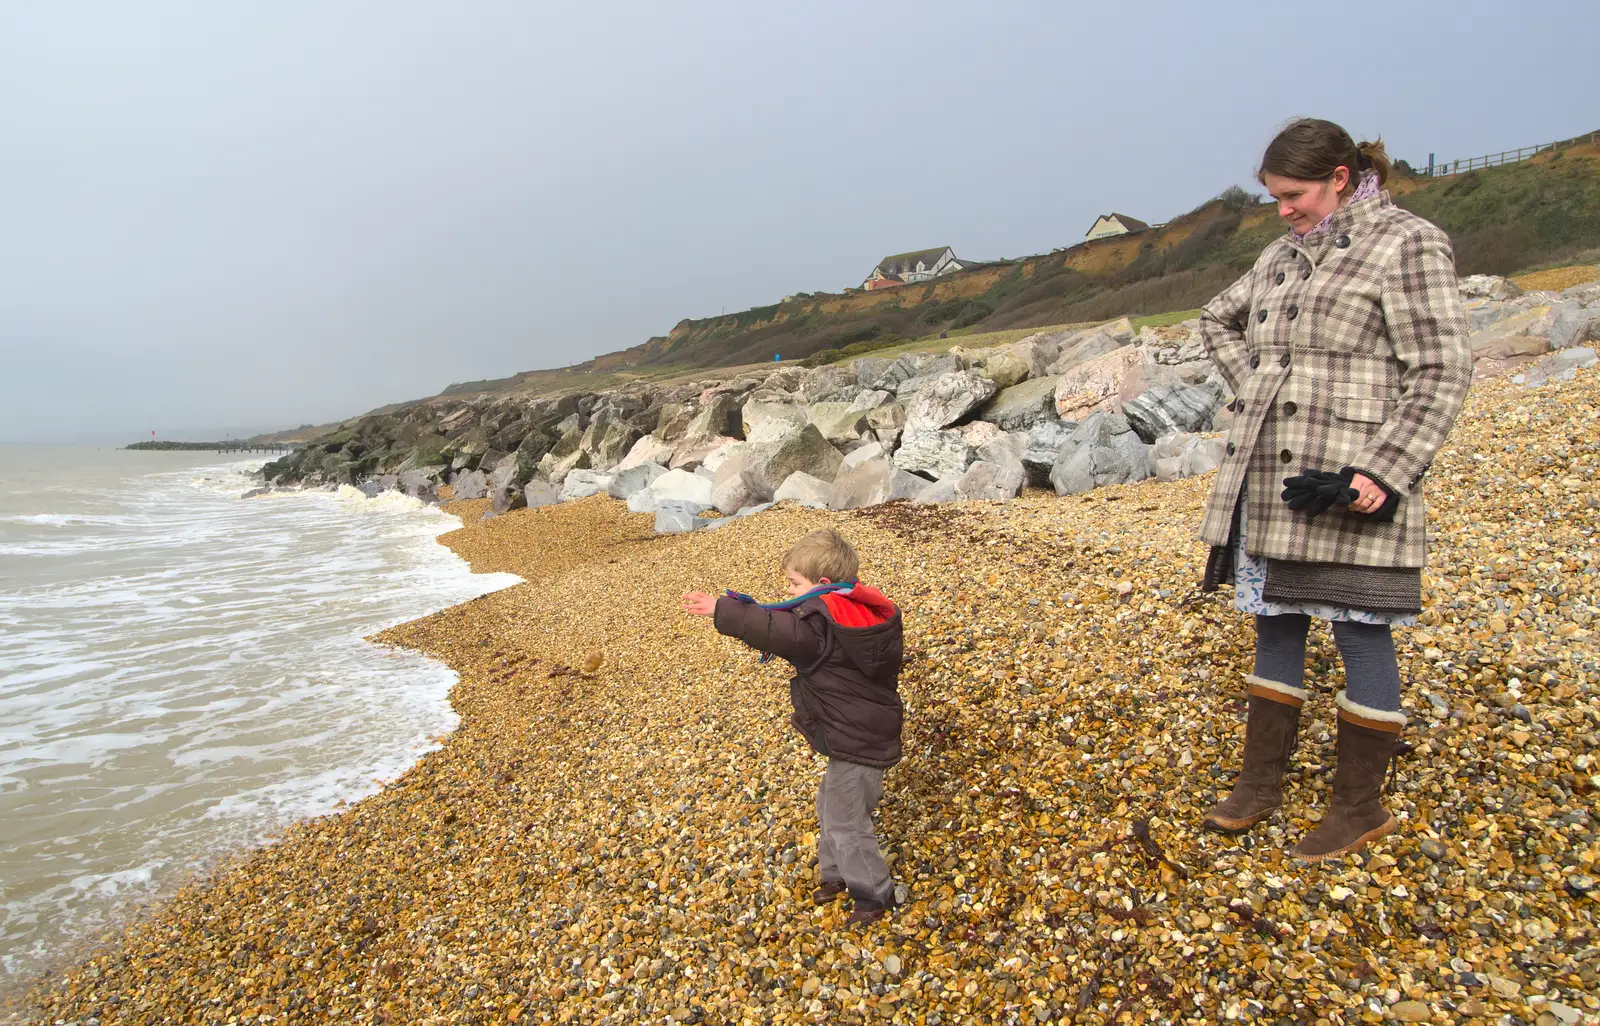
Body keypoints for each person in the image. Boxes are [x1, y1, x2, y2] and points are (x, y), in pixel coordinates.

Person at [1195, 119, 1472, 861]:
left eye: (1294, 195)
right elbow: (1215, 318)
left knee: (1360, 627)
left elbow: (1442, 370)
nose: (1283, 210)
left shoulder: (1407, 243)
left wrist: (1378, 472)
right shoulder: (1280, 255)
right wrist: (1258, 390)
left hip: (1350, 481)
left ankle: (1359, 807)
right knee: (1276, 621)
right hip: (1276, 479)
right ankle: (1260, 785)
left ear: (1341, 178)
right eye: (1275, 198)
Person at [681, 529, 905, 924]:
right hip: (859, 730)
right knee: (830, 806)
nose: (790, 590)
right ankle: (836, 874)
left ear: (822, 585)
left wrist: (722, 610)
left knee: (846, 819)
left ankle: (874, 894)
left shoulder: (822, 625)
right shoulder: (853, 610)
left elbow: (780, 632)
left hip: (858, 739)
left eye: (794, 583)